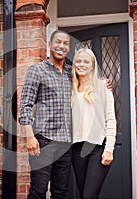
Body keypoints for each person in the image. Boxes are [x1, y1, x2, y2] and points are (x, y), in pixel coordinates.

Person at [19, 30, 112, 199]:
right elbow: (25, 104)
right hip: (43, 140)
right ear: (49, 44)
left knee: (60, 192)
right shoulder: (37, 70)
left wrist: (103, 83)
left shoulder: (72, 73)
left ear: (68, 48)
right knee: (38, 191)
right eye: (58, 42)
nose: (61, 46)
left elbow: (88, 80)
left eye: (65, 43)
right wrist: (29, 136)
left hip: (66, 144)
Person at [71, 48, 116, 199]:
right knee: (84, 194)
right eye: (78, 61)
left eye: (86, 61)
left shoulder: (103, 87)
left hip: (98, 147)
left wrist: (109, 149)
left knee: (90, 195)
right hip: (77, 148)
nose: (82, 64)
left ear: (92, 65)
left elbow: (110, 119)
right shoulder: (69, 89)